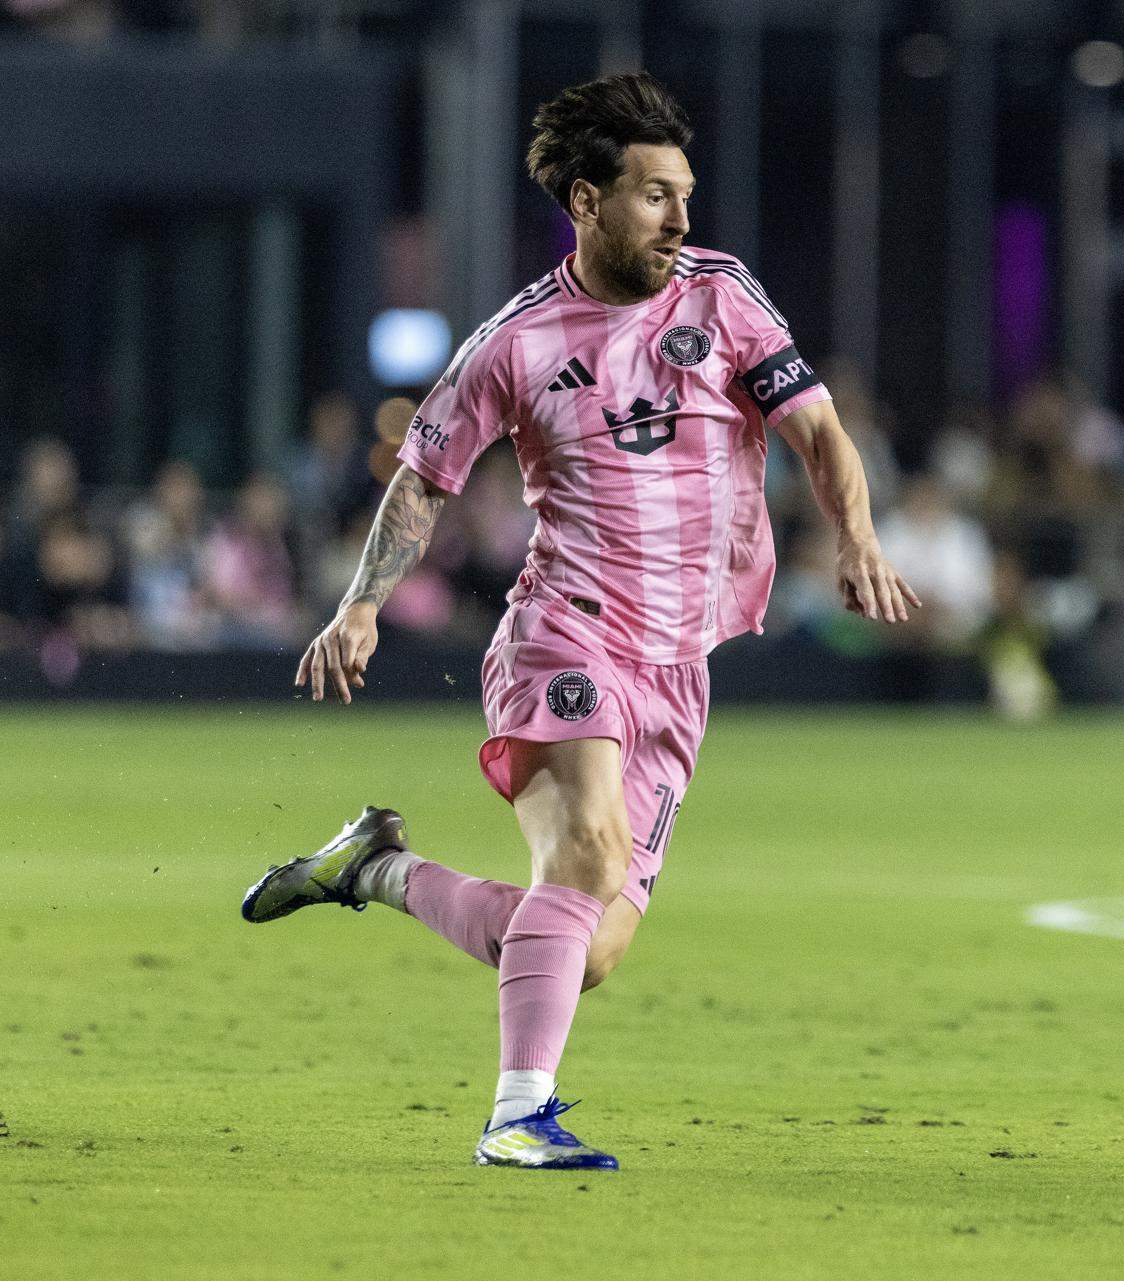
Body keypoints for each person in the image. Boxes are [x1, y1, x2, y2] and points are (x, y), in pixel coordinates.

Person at [239, 72, 918, 1170]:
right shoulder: (516, 341)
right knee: (590, 849)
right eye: (657, 196)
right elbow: (423, 479)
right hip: (568, 630)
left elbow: (822, 434)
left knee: (586, 944)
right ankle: (518, 1117)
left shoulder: (725, 297)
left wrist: (861, 538)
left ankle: (375, 871)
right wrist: (360, 603)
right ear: (588, 200)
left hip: (677, 665)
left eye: (686, 194)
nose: (683, 220)